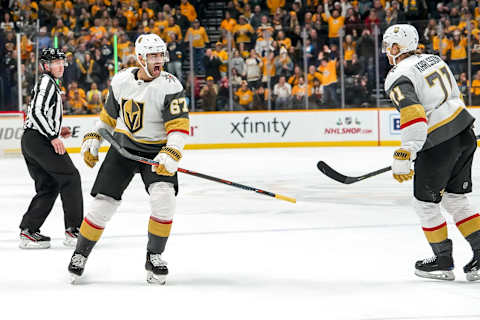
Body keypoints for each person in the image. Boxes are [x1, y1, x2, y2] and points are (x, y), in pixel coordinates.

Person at [67, 34, 190, 285]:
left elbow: (179, 126)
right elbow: (108, 117)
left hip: (156, 151)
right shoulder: (122, 80)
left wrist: (173, 150)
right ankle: (80, 254)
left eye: (160, 55)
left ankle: (154, 256)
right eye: (153, 56)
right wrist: (94, 135)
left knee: (163, 199)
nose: (159, 60)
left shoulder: (171, 85)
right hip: (123, 148)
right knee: (103, 205)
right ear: (141, 58)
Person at [383, 24, 480, 282]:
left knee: (425, 203)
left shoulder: (397, 74)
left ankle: (442, 261)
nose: (385, 51)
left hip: (439, 142)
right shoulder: (434, 59)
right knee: (456, 200)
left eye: (388, 45)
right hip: (464, 132)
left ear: (396, 47)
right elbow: (453, 95)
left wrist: (407, 151)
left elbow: (413, 113)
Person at [20, 48, 83, 249]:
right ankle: (74, 231)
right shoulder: (47, 82)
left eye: (61, 62)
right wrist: (53, 135)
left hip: (31, 140)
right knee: (71, 177)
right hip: (39, 140)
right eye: (55, 62)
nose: (60, 66)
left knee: (48, 185)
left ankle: (29, 230)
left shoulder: (49, 83)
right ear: (45, 66)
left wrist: (57, 128)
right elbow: (37, 111)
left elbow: (39, 114)